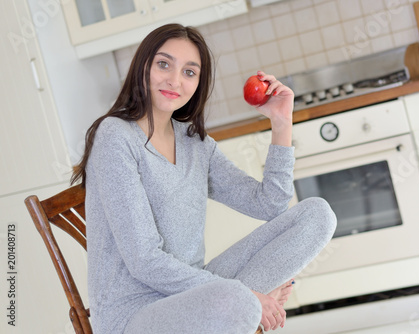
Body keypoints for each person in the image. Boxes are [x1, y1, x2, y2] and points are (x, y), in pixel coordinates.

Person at [71, 23, 336, 334]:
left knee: (318, 215)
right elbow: (143, 261)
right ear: (142, 66)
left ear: (199, 83)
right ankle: (248, 307)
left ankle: (245, 309)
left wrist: (281, 123)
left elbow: (270, 206)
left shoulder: (195, 143)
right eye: (164, 64)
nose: (174, 80)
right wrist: (247, 296)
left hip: (195, 295)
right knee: (237, 303)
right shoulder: (116, 136)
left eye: (189, 72)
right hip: (133, 317)